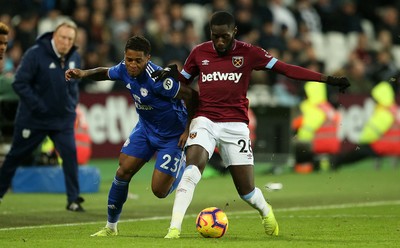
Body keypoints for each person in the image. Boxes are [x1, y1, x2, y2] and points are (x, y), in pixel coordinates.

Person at [154, 11, 350, 239]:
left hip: (235, 125)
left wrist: (327, 79)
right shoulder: (199, 52)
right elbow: (183, 81)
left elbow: (287, 69)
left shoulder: (249, 53)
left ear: (234, 32)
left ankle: (266, 211)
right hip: (204, 119)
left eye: (224, 36)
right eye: (215, 36)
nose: (219, 41)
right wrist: (168, 73)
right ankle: (174, 228)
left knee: (246, 191)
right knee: (191, 171)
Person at [65, 35, 198, 236]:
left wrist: (188, 129)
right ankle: (111, 227)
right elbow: (105, 73)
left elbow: (191, 96)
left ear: (148, 58)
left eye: (138, 61)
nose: (132, 65)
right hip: (145, 129)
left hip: (171, 135)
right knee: (122, 171)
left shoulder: (159, 80)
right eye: (129, 59)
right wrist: (83, 73)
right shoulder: (123, 68)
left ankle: (180, 170)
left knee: (159, 191)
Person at [0, 20, 85, 211]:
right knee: (15, 156)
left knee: (70, 156)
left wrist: (71, 105)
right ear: (54, 36)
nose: (66, 42)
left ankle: (73, 200)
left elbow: (74, 86)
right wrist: (38, 106)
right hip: (33, 119)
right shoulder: (35, 54)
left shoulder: (75, 57)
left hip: (62, 119)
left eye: (70, 39)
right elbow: (19, 83)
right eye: (63, 37)